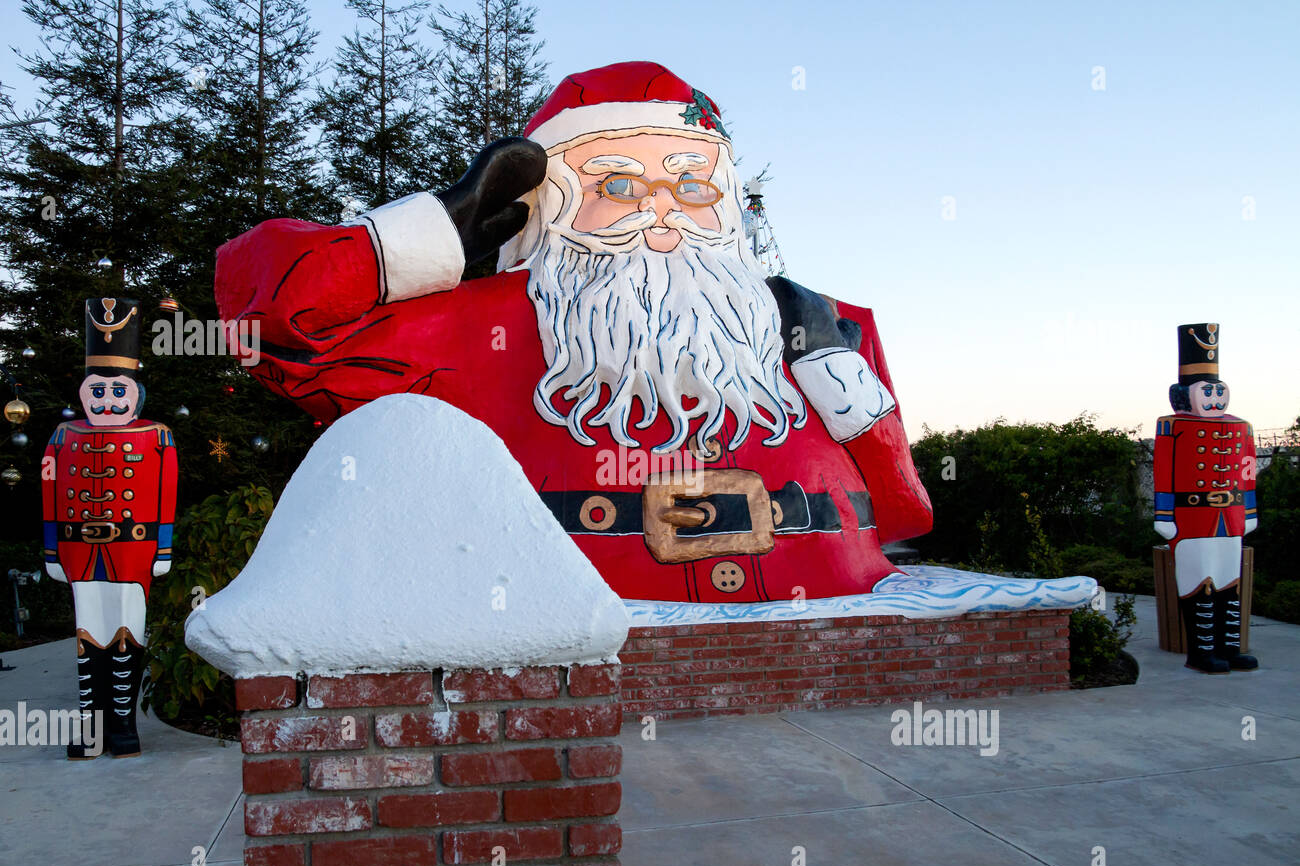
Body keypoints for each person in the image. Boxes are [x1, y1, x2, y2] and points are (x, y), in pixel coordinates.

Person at [215, 61, 933, 604]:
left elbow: (904, 514)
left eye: (691, 184)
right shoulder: (477, 325)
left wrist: (835, 371)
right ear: (546, 205)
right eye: (616, 185)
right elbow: (271, 324)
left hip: (835, 669)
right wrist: (435, 235)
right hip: (583, 677)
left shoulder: (827, 326)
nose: (661, 210)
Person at [41, 298, 179, 756]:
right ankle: (91, 727)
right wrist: (49, 550)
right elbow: (48, 492)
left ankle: (123, 726)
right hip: (79, 551)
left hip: (134, 552)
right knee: (88, 635)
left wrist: (162, 549)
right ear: (84, 391)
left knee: (127, 632)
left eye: (117, 390)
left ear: (134, 392)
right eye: (98, 391)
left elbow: (166, 493)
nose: (108, 399)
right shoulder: (63, 437)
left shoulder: (156, 436)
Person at [1153, 322, 1258, 673]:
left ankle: (1230, 648)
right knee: (1199, 583)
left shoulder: (1240, 426)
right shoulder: (1173, 425)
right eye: (1206, 392)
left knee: (1229, 582)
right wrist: (1164, 515)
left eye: (1218, 391)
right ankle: (1201, 652)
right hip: (1192, 517)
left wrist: (1251, 509)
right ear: (1185, 393)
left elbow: (1247, 468)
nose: (1214, 399)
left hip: (1230, 517)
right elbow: (1163, 471)